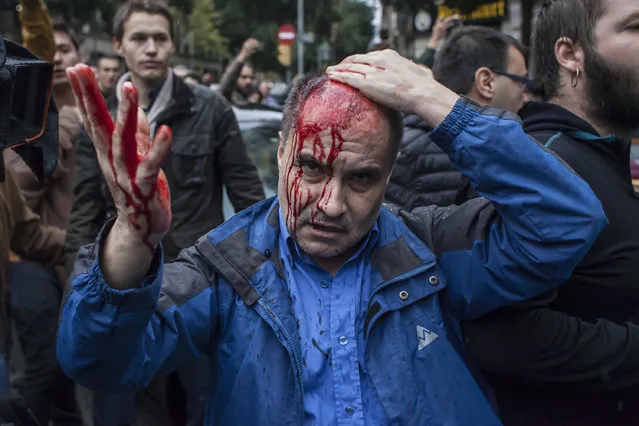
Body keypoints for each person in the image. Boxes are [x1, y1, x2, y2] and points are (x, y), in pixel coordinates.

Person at [58, 49, 606, 425]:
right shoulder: (225, 269)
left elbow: (566, 222)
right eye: (313, 169)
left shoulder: (431, 250)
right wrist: (131, 238)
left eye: (362, 178)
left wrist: (438, 103)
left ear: (389, 175)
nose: (331, 204)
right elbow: (97, 361)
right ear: (280, 154)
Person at [64, 1, 265, 425]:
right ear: (119, 45)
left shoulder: (211, 109)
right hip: (128, 287)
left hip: (201, 286)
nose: (151, 47)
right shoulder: (100, 121)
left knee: (207, 401)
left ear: (173, 44)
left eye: (160, 37)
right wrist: (80, 286)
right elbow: (84, 208)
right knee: (125, 405)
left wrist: (259, 276)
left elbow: (248, 196)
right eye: (139, 38)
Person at [462, 1, 639, 425]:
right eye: (635, 27)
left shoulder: (597, 155)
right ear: (570, 54)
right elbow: (492, 333)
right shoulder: (540, 162)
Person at [5, 15, 82, 426]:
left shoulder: (91, 110)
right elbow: (21, 194)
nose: (53, 59)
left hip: (70, 259)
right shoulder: (23, 121)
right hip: (32, 265)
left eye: (64, 50)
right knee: (40, 369)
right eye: (45, 53)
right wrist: (60, 130)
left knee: (69, 374)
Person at [386, 26, 531, 209]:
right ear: (486, 82)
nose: (526, 95)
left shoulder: (404, 145)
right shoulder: (410, 154)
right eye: (522, 81)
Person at [218, 37, 261, 107]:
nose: (248, 81)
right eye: (244, 77)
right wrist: (243, 54)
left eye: (251, 78)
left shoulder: (256, 98)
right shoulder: (229, 99)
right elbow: (224, 87)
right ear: (235, 77)